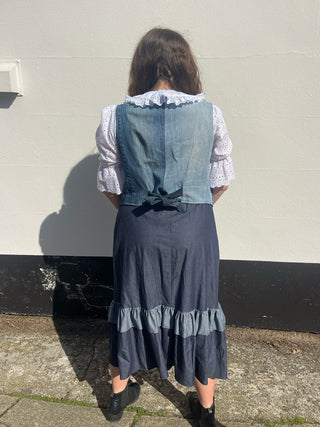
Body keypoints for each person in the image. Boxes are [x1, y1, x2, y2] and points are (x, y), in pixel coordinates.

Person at [95, 27, 235, 426]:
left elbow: (111, 184)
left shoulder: (115, 116)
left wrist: (136, 209)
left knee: (130, 301)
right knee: (197, 306)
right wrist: (194, 206)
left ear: (140, 67)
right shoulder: (210, 112)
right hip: (195, 228)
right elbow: (221, 179)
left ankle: (118, 399)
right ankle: (205, 409)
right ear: (185, 65)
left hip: (136, 227)